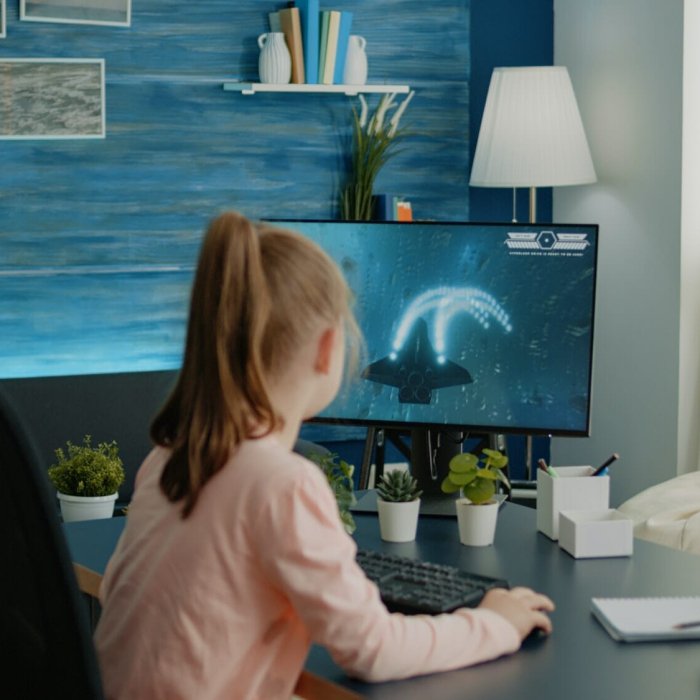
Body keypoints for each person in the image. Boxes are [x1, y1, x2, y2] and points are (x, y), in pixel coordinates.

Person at [94, 211, 554, 700]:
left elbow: (118, 596)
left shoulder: (167, 460)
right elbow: (373, 650)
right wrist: (494, 623)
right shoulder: (283, 484)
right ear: (327, 348)